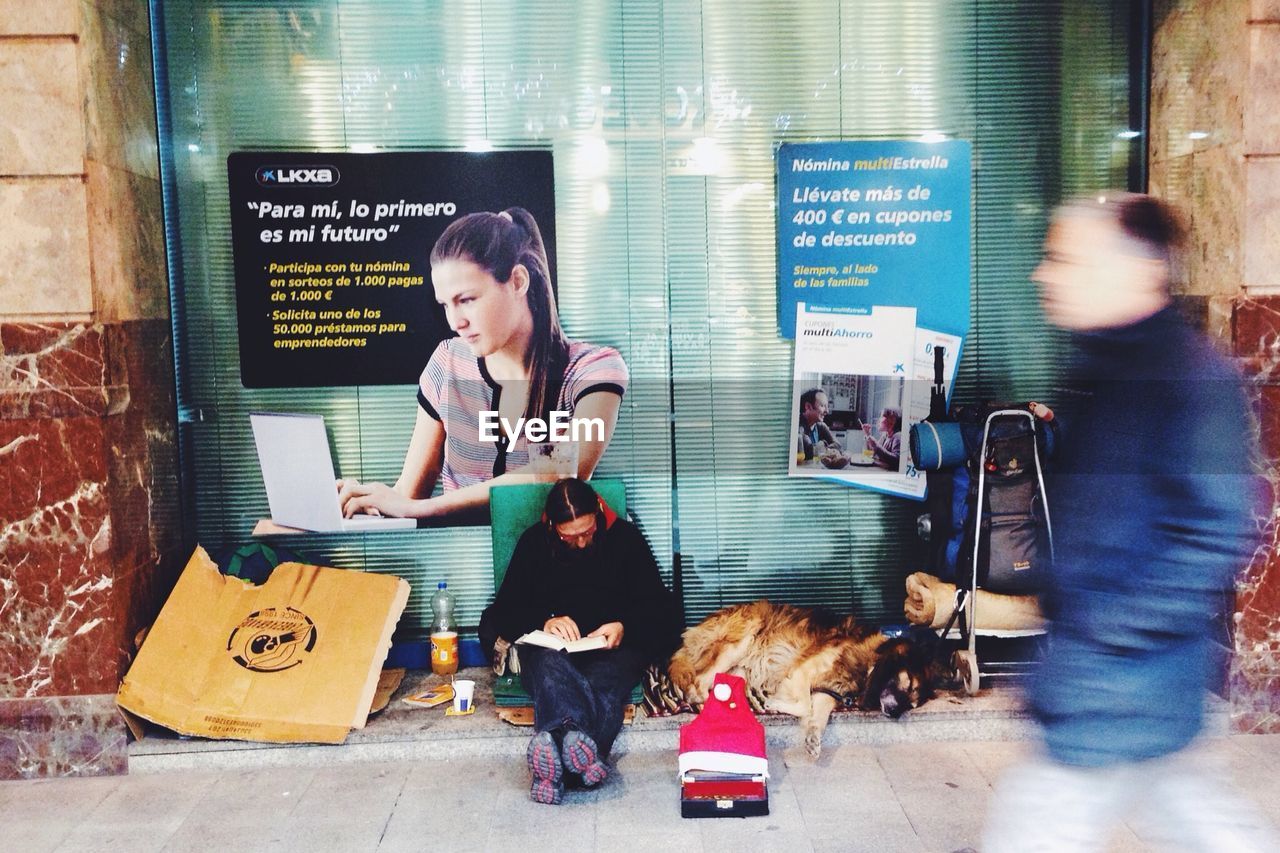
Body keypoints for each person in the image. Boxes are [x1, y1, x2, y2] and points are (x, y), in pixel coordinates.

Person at [983, 193, 1275, 851]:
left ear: (1138, 269)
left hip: (1118, 682)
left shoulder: (1193, 377)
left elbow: (1215, 531)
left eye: (1065, 259)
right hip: (1113, 680)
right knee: (1200, 814)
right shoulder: (1098, 368)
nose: (1044, 275)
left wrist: (1099, 629)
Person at [338, 207, 628, 521]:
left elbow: (565, 467)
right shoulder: (447, 362)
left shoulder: (592, 369)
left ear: (517, 281)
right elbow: (408, 494)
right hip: (465, 566)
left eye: (467, 300)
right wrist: (364, 502)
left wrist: (420, 508)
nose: (455, 321)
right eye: (445, 305)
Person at [480, 478, 683, 804]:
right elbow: (504, 612)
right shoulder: (534, 543)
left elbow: (661, 610)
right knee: (549, 665)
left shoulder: (625, 540)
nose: (583, 543)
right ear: (551, 526)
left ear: (599, 513)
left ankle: (555, 754)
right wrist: (543, 621)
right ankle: (578, 755)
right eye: (569, 537)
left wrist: (624, 626)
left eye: (588, 532)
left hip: (611, 651)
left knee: (600, 681)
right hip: (553, 653)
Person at [798, 388, 838, 459]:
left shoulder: (820, 426)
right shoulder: (798, 426)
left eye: (827, 406)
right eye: (822, 405)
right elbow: (809, 453)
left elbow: (838, 446)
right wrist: (824, 444)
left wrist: (820, 447)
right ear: (808, 407)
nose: (827, 411)